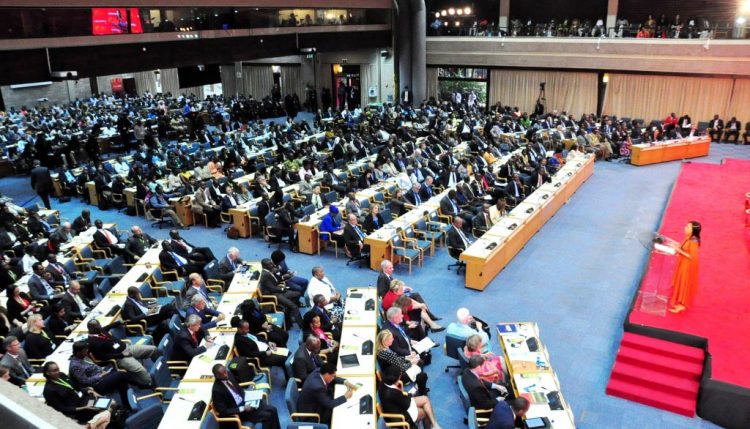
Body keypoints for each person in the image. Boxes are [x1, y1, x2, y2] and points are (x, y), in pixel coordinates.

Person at [86, 319, 157, 387]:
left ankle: (159, 366)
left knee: (153, 349)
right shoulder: (93, 342)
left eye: (99, 324)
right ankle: (149, 384)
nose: (100, 327)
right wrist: (122, 355)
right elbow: (102, 357)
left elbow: (109, 326)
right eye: (98, 326)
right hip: (119, 358)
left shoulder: (100, 331)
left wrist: (119, 322)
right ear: (92, 329)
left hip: (127, 348)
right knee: (141, 370)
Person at [211, 363, 281, 429]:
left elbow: (238, 388)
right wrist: (243, 408)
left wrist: (249, 395)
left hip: (246, 401)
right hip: (238, 412)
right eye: (222, 374)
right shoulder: (216, 390)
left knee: (273, 409)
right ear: (217, 376)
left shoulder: (229, 374)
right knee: (268, 416)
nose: (225, 375)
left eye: (225, 371)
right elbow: (223, 411)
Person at [42, 362, 112, 426]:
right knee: (104, 411)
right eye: (54, 370)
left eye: (58, 369)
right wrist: (84, 408)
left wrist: (87, 391)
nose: (57, 372)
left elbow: (75, 386)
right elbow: (61, 409)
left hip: (83, 400)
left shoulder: (61, 375)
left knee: (105, 403)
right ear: (47, 373)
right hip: (77, 411)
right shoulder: (49, 390)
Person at [69, 341, 132, 410]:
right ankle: (139, 384)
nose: (87, 351)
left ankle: (126, 405)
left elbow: (94, 366)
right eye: (85, 350)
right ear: (78, 352)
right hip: (95, 386)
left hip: (102, 376)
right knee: (121, 374)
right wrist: (100, 375)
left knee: (121, 381)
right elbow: (85, 382)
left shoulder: (83, 357)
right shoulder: (75, 366)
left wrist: (103, 372)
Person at [376, 330, 428, 396]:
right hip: (399, 376)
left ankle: (418, 383)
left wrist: (407, 357)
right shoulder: (389, 354)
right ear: (385, 341)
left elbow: (396, 360)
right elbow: (401, 368)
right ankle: (419, 387)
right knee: (420, 363)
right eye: (391, 338)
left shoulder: (381, 349)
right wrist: (411, 362)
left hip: (391, 372)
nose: (393, 339)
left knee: (418, 362)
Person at [668, 221, 701, 314]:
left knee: (684, 283)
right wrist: (676, 245)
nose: (685, 228)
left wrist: (678, 250)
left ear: (693, 230)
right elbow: (684, 247)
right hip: (683, 262)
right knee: (681, 282)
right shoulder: (688, 237)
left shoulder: (694, 241)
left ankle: (682, 305)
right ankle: (681, 302)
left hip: (688, 265)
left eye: (688, 227)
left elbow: (692, 256)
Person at [258, 258, 302, 327]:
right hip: (274, 295)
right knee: (294, 307)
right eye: (270, 264)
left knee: (298, 293)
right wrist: (282, 289)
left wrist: (282, 276)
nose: (272, 265)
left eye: (271, 263)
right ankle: (302, 325)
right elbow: (272, 288)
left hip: (278, 292)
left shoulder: (269, 271)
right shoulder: (265, 275)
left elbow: (276, 280)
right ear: (265, 266)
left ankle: (290, 312)